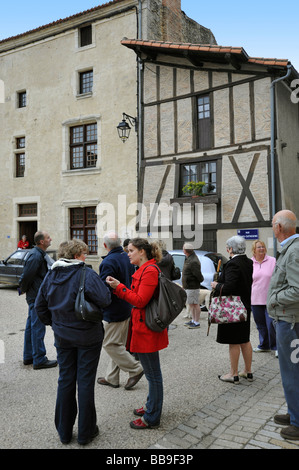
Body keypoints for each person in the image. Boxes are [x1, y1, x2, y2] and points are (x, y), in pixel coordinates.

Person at [35, 239, 111, 445]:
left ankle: (64, 431)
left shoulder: (51, 274)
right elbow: (105, 299)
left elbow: (39, 306)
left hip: (63, 336)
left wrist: (55, 324)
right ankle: (86, 433)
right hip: (87, 336)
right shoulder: (85, 273)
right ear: (77, 255)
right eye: (84, 253)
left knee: (66, 380)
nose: (86, 256)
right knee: (85, 382)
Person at [106, 238, 168, 429]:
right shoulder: (144, 269)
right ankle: (151, 405)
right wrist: (119, 287)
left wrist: (119, 288)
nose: (128, 253)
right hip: (143, 328)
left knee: (153, 375)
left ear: (142, 252)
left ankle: (152, 417)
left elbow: (140, 301)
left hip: (147, 330)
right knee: (151, 373)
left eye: (131, 250)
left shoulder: (149, 270)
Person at [97, 231, 144, 389]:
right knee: (117, 344)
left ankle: (136, 368)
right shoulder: (127, 257)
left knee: (110, 344)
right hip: (127, 305)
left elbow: (105, 291)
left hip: (114, 310)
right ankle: (112, 378)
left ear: (105, 246)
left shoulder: (108, 262)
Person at [267, 209, 299, 441]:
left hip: (290, 321)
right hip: (288, 319)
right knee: (290, 371)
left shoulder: (294, 251)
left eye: (272, 224)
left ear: (278, 227)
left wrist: (274, 299)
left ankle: (297, 422)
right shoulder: (290, 248)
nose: (271, 227)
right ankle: (294, 412)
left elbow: (297, 289)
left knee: (292, 372)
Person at [211, 235, 253, 384]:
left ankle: (233, 374)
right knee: (245, 339)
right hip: (245, 306)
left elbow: (230, 286)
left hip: (233, 308)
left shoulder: (232, 264)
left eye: (227, 248)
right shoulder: (248, 262)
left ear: (230, 249)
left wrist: (216, 285)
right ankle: (248, 371)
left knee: (234, 342)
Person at [19, 230, 57, 370]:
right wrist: (22, 289)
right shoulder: (36, 255)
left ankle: (29, 356)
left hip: (36, 295)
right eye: (48, 237)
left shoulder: (40, 254)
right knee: (37, 327)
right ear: (41, 241)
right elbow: (27, 275)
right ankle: (39, 359)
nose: (50, 239)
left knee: (31, 326)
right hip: (36, 297)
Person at [251, 240, 276, 353]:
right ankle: (264, 345)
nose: (261, 249)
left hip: (270, 298)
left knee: (271, 324)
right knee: (260, 325)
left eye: (263, 247)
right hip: (255, 299)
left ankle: (276, 348)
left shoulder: (272, 261)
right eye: (258, 247)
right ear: (254, 250)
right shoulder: (250, 263)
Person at [182, 242, 203, 329]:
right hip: (189, 286)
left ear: (185, 251)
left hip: (193, 286)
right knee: (191, 304)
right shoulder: (189, 258)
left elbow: (198, 275)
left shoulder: (193, 261)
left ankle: (196, 322)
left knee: (195, 304)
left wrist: (200, 280)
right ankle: (193, 320)